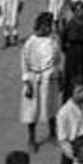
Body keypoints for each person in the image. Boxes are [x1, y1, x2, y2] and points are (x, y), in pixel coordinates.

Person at [20, 12, 63, 151]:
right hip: (34, 79)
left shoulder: (53, 39)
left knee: (51, 106)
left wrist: (59, 76)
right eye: (47, 26)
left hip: (49, 78)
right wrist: (27, 83)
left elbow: (57, 58)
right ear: (41, 26)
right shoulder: (30, 43)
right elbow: (24, 64)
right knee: (32, 110)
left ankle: (52, 134)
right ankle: (32, 138)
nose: (49, 29)